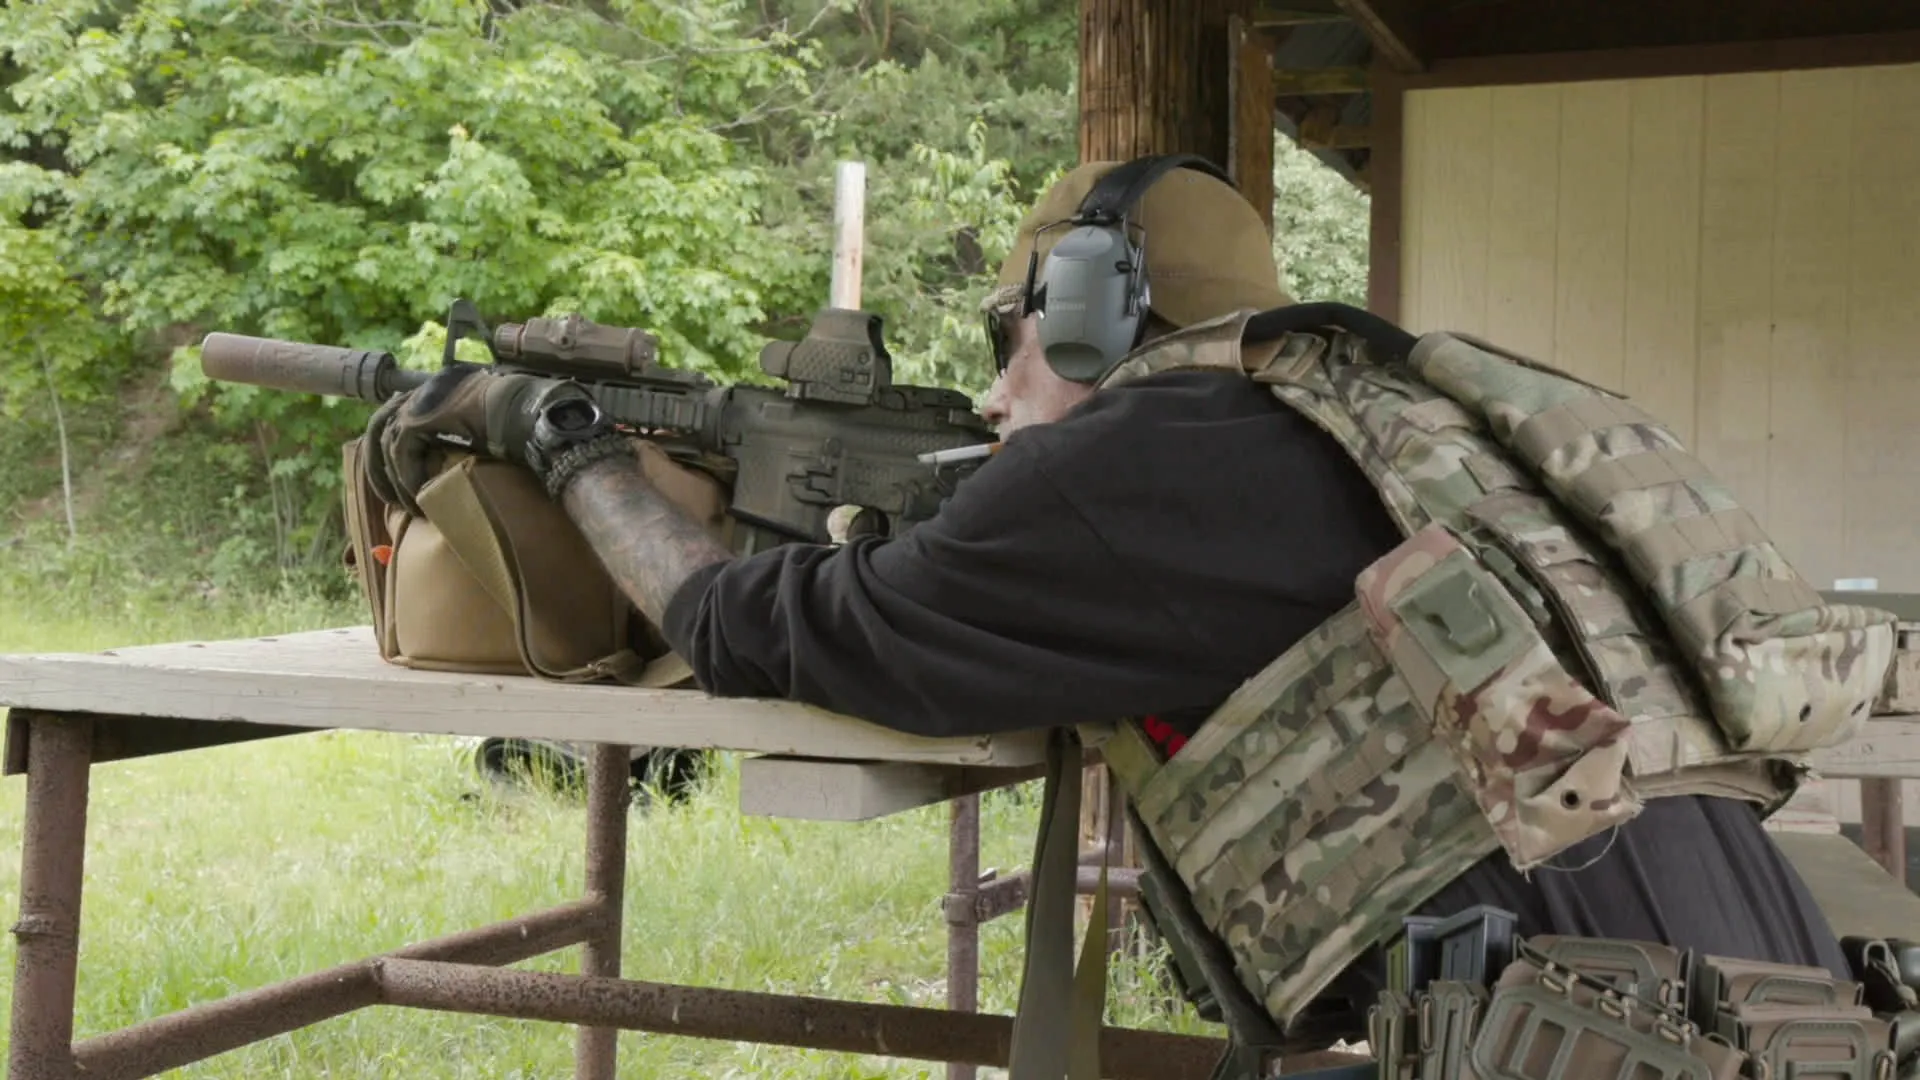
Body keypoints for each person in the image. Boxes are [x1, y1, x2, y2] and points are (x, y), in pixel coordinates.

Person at [359, 157, 1852, 1010]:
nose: (996, 387)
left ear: (1089, 311)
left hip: (1597, 1042)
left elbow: (755, 628)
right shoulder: (1404, 415)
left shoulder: (1148, 457)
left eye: (1013, 329)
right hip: (1777, 1000)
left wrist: (559, 448)